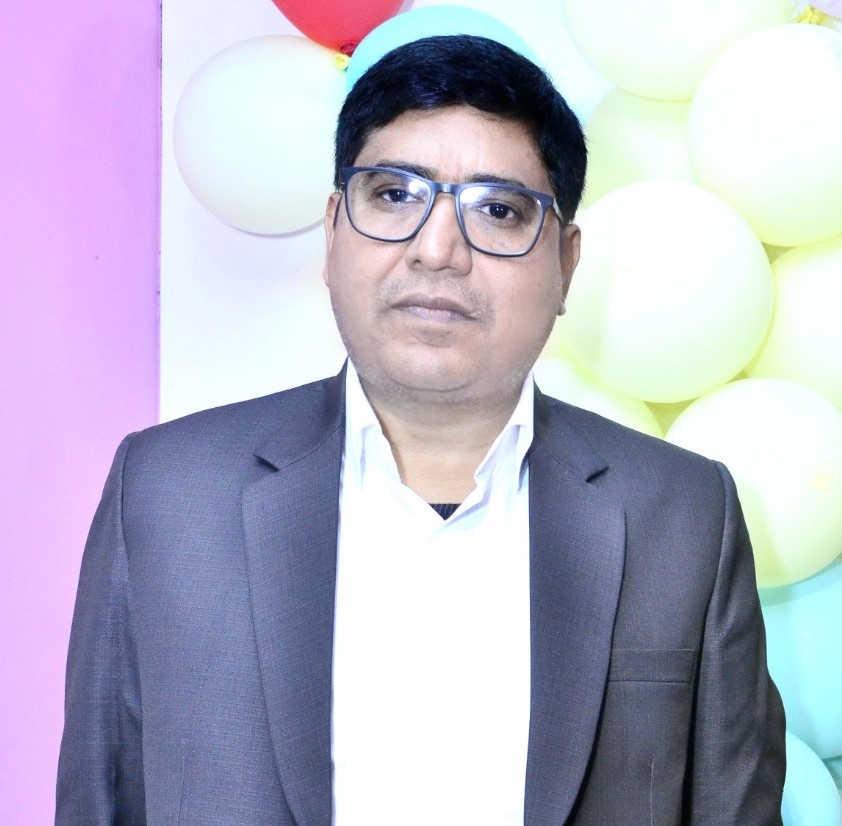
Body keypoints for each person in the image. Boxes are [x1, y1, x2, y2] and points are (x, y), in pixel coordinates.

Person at [56, 34, 785, 826]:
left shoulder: (682, 514)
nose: (437, 252)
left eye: (498, 210)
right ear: (334, 230)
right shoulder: (169, 493)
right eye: (394, 195)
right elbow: (101, 799)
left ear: (566, 266)